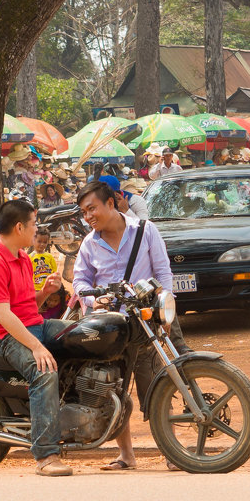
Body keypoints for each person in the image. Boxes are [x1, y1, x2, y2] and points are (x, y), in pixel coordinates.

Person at [72, 180, 189, 471]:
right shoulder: (89, 243)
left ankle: (171, 452)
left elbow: (162, 272)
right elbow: (80, 282)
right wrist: (92, 302)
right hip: (107, 329)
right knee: (112, 388)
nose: (88, 217)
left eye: (92, 209)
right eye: (84, 212)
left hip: (144, 323)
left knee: (155, 385)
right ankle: (126, 455)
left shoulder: (145, 231)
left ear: (110, 203)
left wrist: (164, 304)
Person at [0, 199, 70, 476]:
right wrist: (36, 346)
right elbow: (3, 316)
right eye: (34, 224)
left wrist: (46, 293)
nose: (37, 229)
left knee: (83, 336)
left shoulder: (22, 257)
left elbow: (26, 307)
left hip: (30, 324)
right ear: (19, 227)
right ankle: (45, 455)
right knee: (44, 373)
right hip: (0, 336)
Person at [29, 227, 67, 320]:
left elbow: (54, 272)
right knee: (38, 309)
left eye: (45, 242)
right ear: (33, 240)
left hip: (49, 289)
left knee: (50, 306)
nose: (42, 244)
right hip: (36, 290)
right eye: (39, 241)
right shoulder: (29, 258)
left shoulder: (49, 257)